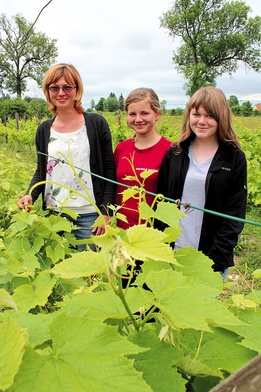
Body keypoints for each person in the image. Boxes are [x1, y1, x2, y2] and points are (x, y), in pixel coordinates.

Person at [18, 63, 115, 247]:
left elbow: (109, 169)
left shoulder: (96, 123)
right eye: (54, 87)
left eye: (67, 87)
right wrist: (29, 194)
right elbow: (42, 170)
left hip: (89, 216)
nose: (61, 93)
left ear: (77, 90)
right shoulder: (44, 129)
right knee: (60, 271)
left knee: (89, 273)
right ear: (48, 91)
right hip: (54, 216)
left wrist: (105, 212)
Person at [156, 86, 247, 278]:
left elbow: (234, 214)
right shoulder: (174, 154)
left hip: (208, 258)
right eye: (196, 114)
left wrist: (215, 258)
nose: (202, 121)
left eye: (210, 116)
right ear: (189, 115)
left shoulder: (233, 158)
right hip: (172, 252)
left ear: (221, 118)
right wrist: (161, 246)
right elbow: (161, 202)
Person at [114, 87, 172, 229]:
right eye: (132, 114)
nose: (138, 119)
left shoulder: (170, 151)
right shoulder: (121, 149)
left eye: (144, 113)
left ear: (157, 114)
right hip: (123, 231)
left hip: (154, 232)